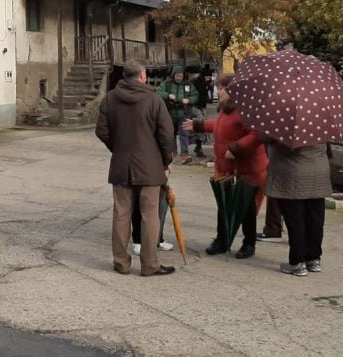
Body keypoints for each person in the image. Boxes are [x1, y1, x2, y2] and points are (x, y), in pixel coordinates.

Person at [96, 60, 176, 277]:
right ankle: (150, 264)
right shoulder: (153, 99)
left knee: (121, 214)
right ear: (142, 76)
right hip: (150, 166)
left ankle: (121, 263)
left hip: (122, 163)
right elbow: (166, 134)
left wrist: (117, 147)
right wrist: (166, 159)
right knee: (149, 214)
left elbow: (101, 130)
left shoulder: (110, 99)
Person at [184, 75, 267, 259]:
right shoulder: (226, 109)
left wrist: (237, 148)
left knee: (246, 208)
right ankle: (222, 240)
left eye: (222, 88)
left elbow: (257, 133)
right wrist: (198, 125)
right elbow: (221, 126)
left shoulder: (246, 109)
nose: (218, 91)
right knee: (224, 204)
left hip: (246, 169)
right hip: (227, 168)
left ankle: (248, 243)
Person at [265, 138, 332, 277]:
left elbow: (276, 144)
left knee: (295, 219)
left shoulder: (285, 123)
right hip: (318, 174)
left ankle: (297, 262)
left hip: (293, 175)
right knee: (315, 218)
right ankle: (314, 259)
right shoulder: (320, 122)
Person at [156, 65, 199, 164]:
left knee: (184, 134)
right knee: (171, 134)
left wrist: (189, 100)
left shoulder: (188, 85)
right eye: (177, 76)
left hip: (184, 113)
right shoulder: (167, 84)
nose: (179, 78)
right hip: (170, 113)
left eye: (181, 76)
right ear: (173, 75)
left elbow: (195, 95)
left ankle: (184, 154)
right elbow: (158, 91)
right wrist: (168, 95)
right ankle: (173, 154)